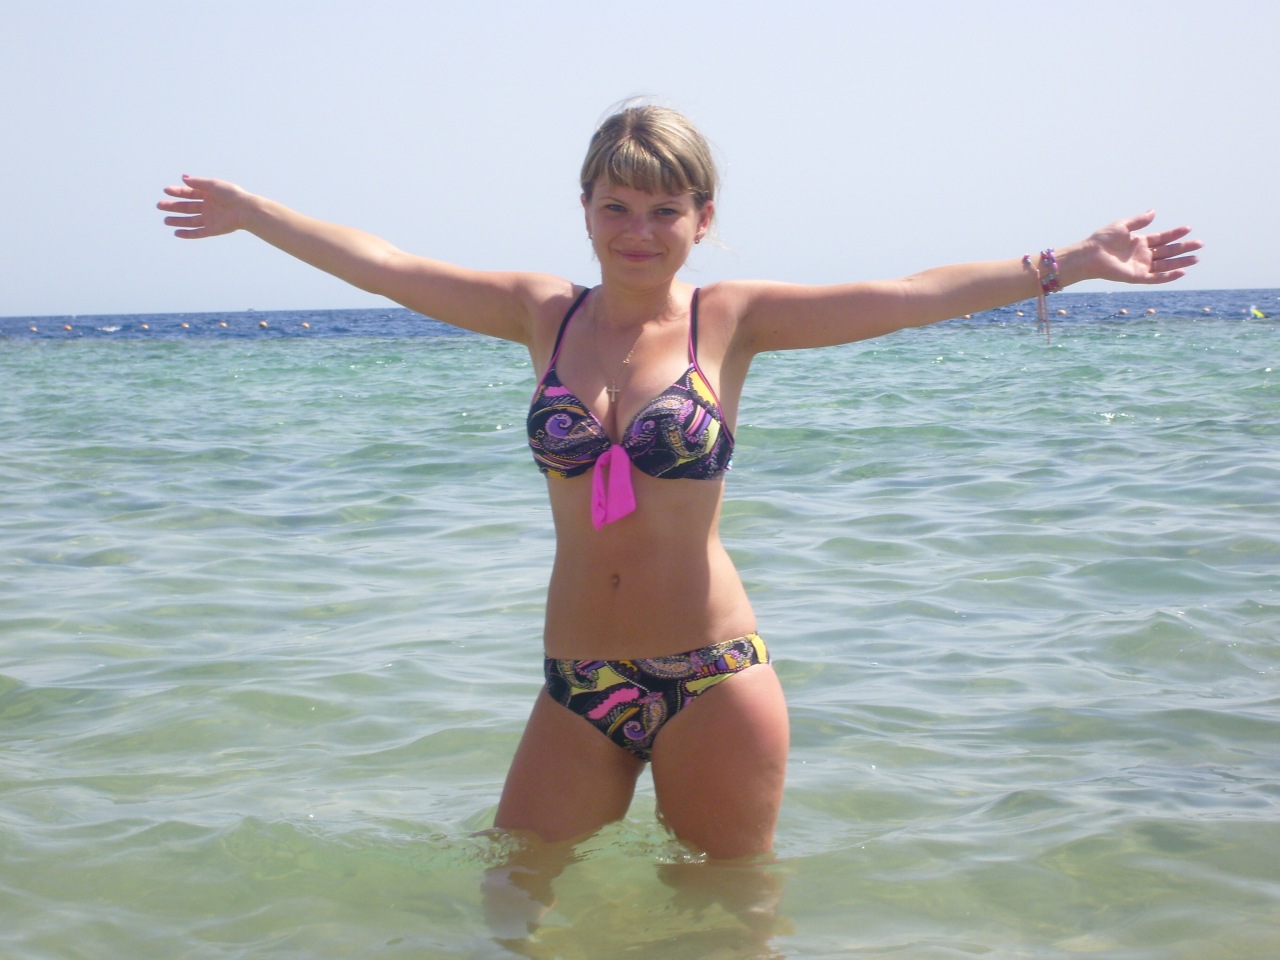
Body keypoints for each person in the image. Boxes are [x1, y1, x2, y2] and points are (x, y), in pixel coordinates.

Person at [158, 103, 1200, 866]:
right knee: (512, 897)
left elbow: (903, 294)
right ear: (583, 209)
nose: (637, 231)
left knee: (724, 919)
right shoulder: (540, 313)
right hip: (578, 683)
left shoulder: (730, 320)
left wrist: (1064, 261)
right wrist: (253, 212)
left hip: (713, 679)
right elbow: (385, 265)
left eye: (664, 209)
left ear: (702, 218)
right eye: (616, 205)